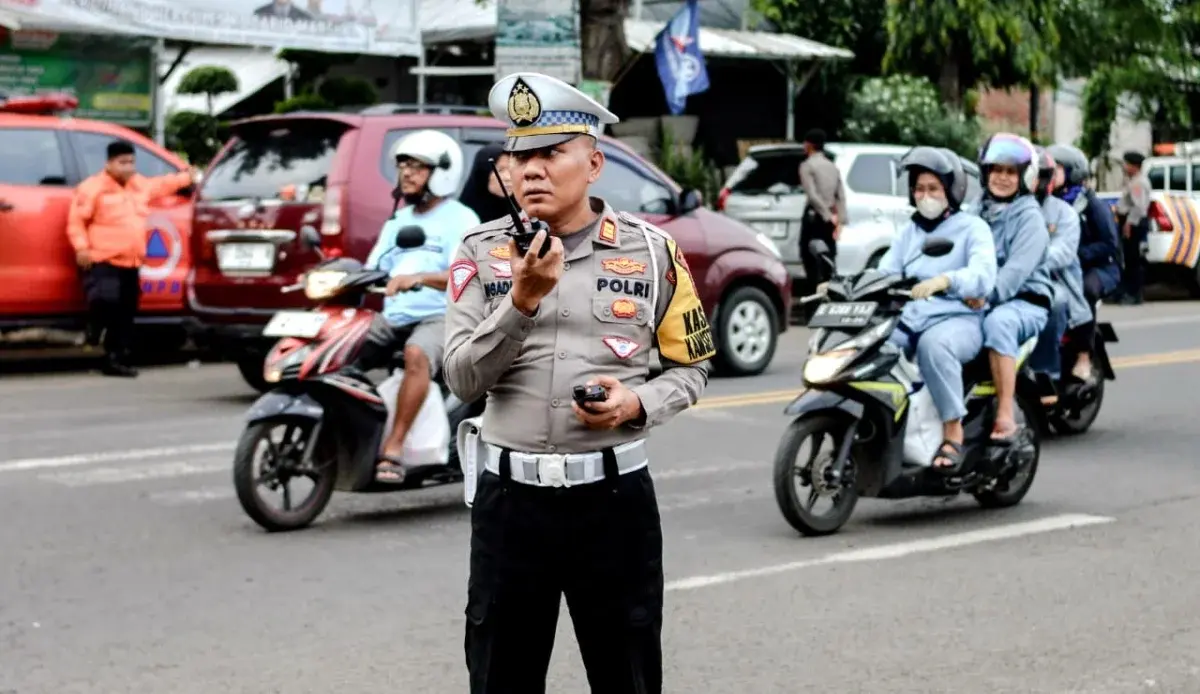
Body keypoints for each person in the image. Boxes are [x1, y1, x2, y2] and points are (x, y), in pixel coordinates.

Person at [443, 71, 713, 694]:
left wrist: (636, 402)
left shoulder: (653, 255)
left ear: (592, 164)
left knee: (628, 676)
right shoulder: (479, 254)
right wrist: (521, 301)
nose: (530, 170)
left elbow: (692, 366)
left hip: (613, 505)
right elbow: (461, 376)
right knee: (499, 678)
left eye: (549, 153)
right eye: (519, 155)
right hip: (511, 506)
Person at [364, 129, 480, 482]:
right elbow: (374, 267)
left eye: (417, 166)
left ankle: (394, 448)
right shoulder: (398, 221)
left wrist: (419, 278)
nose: (407, 174)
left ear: (440, 172)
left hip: (440, 316)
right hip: (393, 314)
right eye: (403, 166)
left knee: (417, 353)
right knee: (340, 344)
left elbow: (467, 274)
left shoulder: (461, 219)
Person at [875, 146, 996, 472]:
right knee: (874, 347)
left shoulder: (973, 228)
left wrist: (947, 280)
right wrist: (843, 285)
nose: (925, 196)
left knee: (934, 346)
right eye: (919, 189)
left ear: (951, 191)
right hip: (911, 315)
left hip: (960, 318)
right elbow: (885, 271)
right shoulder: (909, 232)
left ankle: (952, 431)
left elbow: (983, 275)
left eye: (933, 189)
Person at [67, 140, 196, 377]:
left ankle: (115, 359)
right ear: (109, 163)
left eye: (131, 162)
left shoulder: (139, 186)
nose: (128, 167)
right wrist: (81, 248)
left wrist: (189, 177)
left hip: (132, 261)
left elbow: (164, 184)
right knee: (105, 300)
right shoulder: (92, 188)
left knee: (126, 313)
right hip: (102, 259)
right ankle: (93, 331)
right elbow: (76, 221)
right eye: (122, 162)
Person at [967, 133, 1054, 444]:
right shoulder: (975, 211)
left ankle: (1006, 412)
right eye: (996, 170)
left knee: (998, 323)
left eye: (1010, 172)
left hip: (1023, 302)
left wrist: (982, 297)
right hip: (975, 298)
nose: (1002, 178)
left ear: (1023, 177)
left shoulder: (1030, 218)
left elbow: (1013, 275)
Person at [1047, 143, 1122, 383]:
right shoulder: (1046, 202)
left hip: (1100, 268)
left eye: (1056, 170)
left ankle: (1084, 354)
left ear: (1072, 172)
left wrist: (1077, 254)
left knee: (1084, 291)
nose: (1049, 174)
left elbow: (1110, 243)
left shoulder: (1090, 204)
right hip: (1064, 267)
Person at [1028, 147, 1085, 385]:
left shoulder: (1064, 212)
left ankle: (1044, 374)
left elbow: (1062, 252)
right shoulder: (997, 207)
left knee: (1056, 302)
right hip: (1005, 278)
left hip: (1053, 279)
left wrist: (1026, 262)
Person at [798, 128, 847, 303]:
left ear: (809, 145)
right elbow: (840, 196)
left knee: (809, 258)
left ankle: (813, 303)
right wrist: (839, 221)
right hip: (830, 222)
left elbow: (812, 195)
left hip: (814, 219)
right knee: (828, 261)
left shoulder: (807, 166)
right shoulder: (833, 167)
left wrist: (827, 215)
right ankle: (829, 300)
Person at [1114, 150, 1151, 305]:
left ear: (1134, 166)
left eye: (1127, 164)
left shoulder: (1138, 183)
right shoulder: (1133, 180)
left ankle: (1134, 294)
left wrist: (1128, 224)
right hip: (1130, 223)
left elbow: (1138, 207)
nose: (1124, 166)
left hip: (1133, 224)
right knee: (1129, 260)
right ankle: (1129, 292)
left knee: (1132, 260)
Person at [458, 143, 514, 224]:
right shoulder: (462, 218)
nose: (508, 177)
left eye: (511, 169)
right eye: (500, 170)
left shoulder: (524, 214)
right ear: (484, 174)